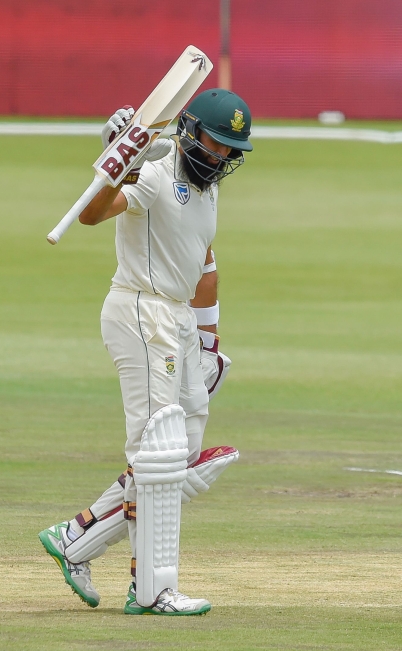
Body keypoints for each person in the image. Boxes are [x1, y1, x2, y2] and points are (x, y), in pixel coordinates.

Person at [39, 89, 252, 615]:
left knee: (181, 455)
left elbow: (203, 265)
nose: (220, 156)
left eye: (230, 149)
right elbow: (93, 214)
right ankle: (153, 590)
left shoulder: (208, 191)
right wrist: (120, 160)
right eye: (214, 142)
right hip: (141, 309)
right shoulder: (154, 172)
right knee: (158, 453)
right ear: (187, 131)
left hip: (178, 319)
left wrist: (208, 341)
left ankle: (76, 539)